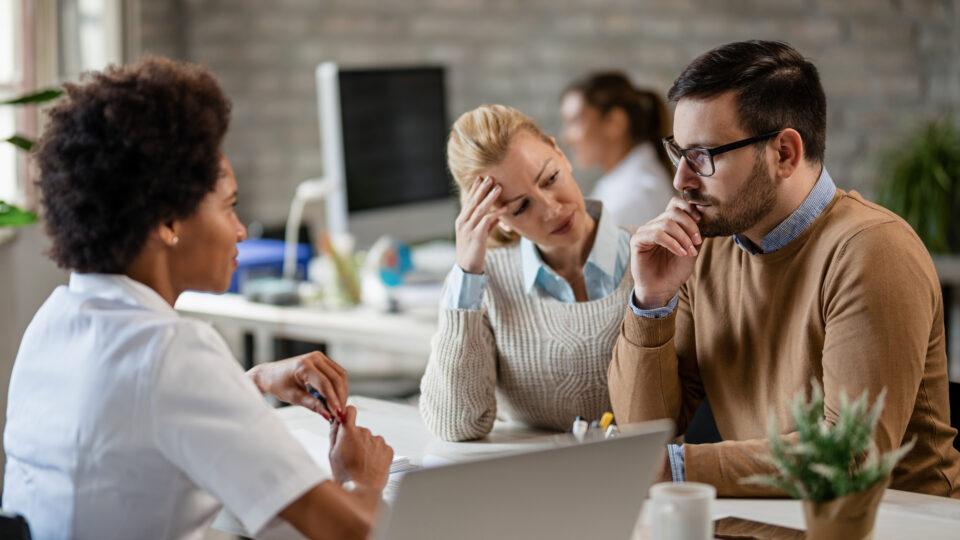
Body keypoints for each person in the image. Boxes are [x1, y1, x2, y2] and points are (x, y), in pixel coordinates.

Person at [2, 57, 394, 539]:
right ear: (168, 222)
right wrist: (362, 477)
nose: (241, 230)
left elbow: (140, 421)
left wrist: (253, 383)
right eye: (228, 206)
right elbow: (351, 530)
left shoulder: (53, 323)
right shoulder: (173, 352)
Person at [608, 40, 960, 497]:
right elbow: (644, 436)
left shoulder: (871, 250)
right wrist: (651, 302)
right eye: (679, 152)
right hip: (767, 519)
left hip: (892, 525)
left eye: (703, 156)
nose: (680, 180)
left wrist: (679, 468)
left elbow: (850, 457)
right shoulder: (704, 250)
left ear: (785, 154)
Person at [419, 105, 634, 441]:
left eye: (550, 178)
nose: (552, 209)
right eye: (520, 206)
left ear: (561, 154)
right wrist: (467, 275)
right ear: (494, 217)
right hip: (531, 480)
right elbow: (456, 425)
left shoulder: (653, 257)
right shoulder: (484, 283)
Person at [560, 72, 674, 228]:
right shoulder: (621, 184)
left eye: (575, 122)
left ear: (615, 122)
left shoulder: (635, 196)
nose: (566, 138)